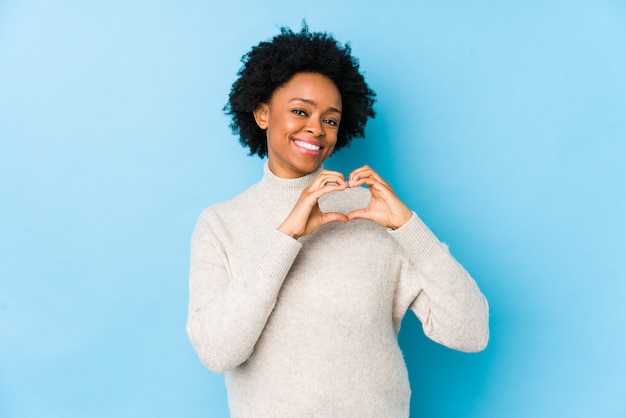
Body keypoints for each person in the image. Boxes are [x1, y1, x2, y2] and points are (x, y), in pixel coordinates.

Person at [186, 24, 489, 418]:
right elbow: (216, 350)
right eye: (299, 111)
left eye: (330, 119)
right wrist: (287, 236)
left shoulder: (372, 213)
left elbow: (470, 332)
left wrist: (408, 228)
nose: (316, 127)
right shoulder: (220, 224)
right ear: (262, 113)